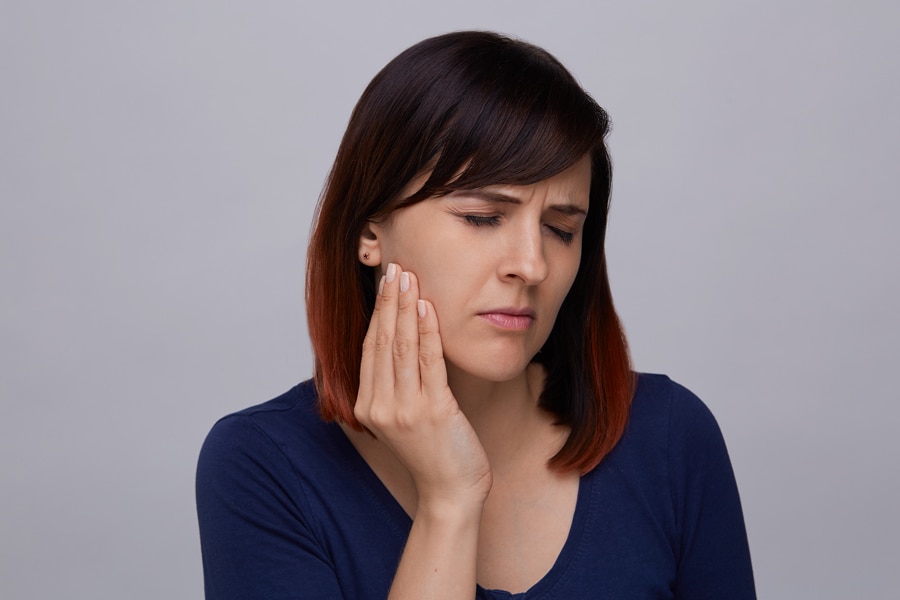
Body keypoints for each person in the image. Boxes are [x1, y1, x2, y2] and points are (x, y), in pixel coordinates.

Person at [196, 31, 756, 599]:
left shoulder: (668, 438)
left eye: (562, 229)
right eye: (484, 217)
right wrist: (449, 500)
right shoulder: (261, 466)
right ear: (370, 231)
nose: (532, 265)